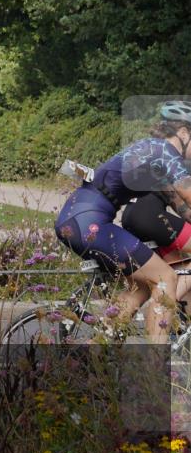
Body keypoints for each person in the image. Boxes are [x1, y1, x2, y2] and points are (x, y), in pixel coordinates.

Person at [54, 101, 191, 341]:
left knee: (141, 288)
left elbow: (183, 207)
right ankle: (155, 360)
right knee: (165, 278)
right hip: (89, 223)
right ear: (183, 132)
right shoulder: (164, 152)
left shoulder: (154, 155)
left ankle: (99, 347)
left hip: (80, 219)